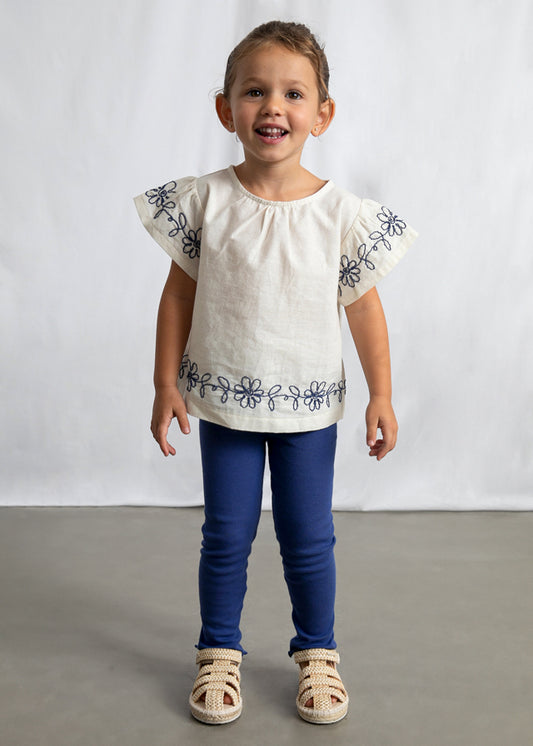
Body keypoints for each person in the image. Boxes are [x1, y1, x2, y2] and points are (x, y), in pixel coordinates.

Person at [134, 20, 418, 726]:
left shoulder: (339, 215)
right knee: (225, 537)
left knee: (308, 538)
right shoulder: (206, 202)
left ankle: (317, 652)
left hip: (308, 415)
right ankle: (218, 652)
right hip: (225, 406)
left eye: (294, 94)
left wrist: (381, 394)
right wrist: (165, 384)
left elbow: (364, 308)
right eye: (254, 91)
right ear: (225, 109)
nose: (272, 107)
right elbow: (178, 297)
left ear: (322, 114)